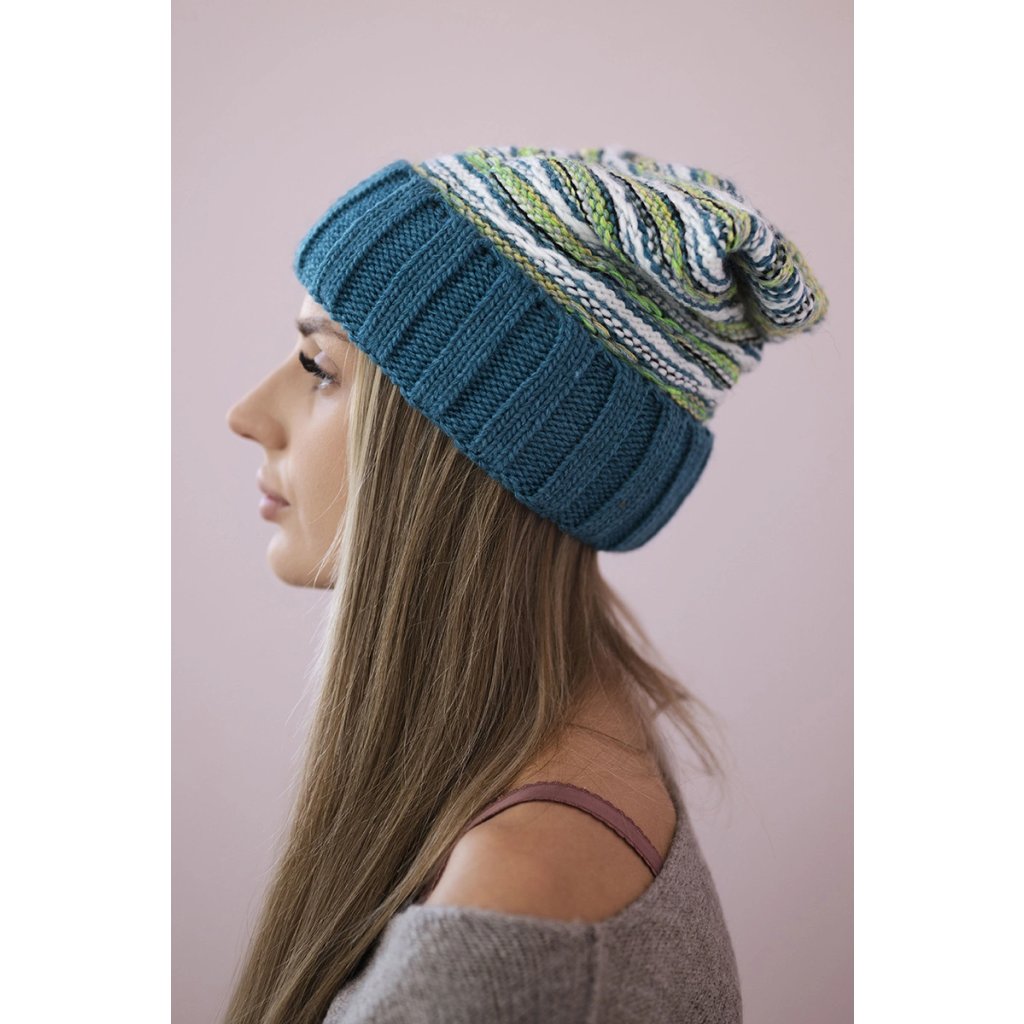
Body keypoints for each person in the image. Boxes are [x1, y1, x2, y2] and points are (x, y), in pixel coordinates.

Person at [223, 145, 829, 1024]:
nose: (245, 414)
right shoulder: (582, 730)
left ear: (467, 453)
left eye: (320, 369)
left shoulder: (504, 925)